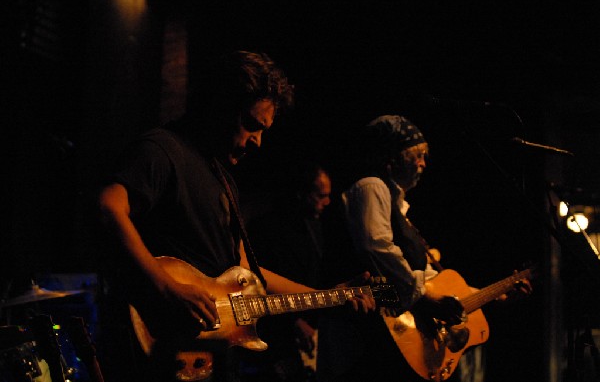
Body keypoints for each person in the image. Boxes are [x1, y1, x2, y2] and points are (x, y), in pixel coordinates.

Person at [95, 51, 375, 382]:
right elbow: (107, 207)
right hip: (156, 353)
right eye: (252, 125)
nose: (258, 142)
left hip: (207, 360)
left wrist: (328, 297)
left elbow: (247, 273)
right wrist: (167, 287)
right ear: (220, 106)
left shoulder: (224, 179)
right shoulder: (162, 149)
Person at [317, 115, 531, 382]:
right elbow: (376, 247)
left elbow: (432, 283)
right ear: (392, 157)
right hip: (367, 339)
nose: (423, 163)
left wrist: (495, 296)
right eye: (417, 155)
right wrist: (421, 298)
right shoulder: (371, 186)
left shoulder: (399, 210)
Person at [240, 161, 332, 382]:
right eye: (320, 196)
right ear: (302, 193)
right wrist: (294, 322)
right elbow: (256, 284)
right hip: (276, 333)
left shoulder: (315, 226)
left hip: (308, 330)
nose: (327, 202)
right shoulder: (267, 228)